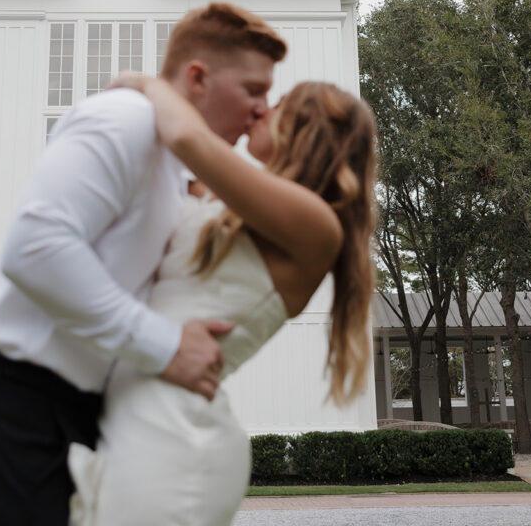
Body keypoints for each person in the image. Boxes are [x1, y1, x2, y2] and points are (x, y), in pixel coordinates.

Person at [0, 3, 287, 526]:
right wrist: (165, 345)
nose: (263, 109)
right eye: (254, 90)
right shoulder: (122, 119)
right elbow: (36, 245)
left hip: (79, 421)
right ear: (197, 76)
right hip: (15, 421)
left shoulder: (170, 161)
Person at [68, 74, 377, 526]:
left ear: (309, 131)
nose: (261, 110)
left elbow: (187, 137)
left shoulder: (317, 226)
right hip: (124, 413)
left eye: (281, 104)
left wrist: (145, 83)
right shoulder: (235, 207)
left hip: (174, 432)